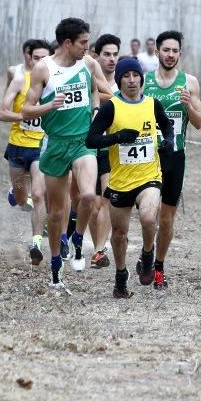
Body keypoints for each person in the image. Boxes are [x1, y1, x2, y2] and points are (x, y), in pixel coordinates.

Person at [22, 17, 113, 288]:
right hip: (55, 144)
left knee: (87, 195)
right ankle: (55, 265)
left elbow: (96, 92)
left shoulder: (87, 64)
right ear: (67, 43)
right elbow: (27, 109)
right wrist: (49, 107)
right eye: (83, 42)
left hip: (83, 140)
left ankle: (77, 240)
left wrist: (96, 110)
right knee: (57, 213)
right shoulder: (43, 69)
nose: (88, 47)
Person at [86, 57, 174, 298]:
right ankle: (121, 276)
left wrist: (168, 142)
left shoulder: (153, 104)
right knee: (119, 234)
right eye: (126, 76)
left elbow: (167, 127)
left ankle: (147, 255)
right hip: (121, 181)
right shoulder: (111, 107)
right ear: (120, 80)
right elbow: (91, 140)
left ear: (141, 79)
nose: (132, 80)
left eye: (136, 75)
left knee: (148, 218)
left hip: (149, 176)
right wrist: (117, 137)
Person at [142, 30, 201, 290]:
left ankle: (158, 267)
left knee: (166, 220)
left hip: (175, 158)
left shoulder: (189, 82)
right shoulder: (143, 82)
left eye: (174, 51)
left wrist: (189, 106)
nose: (170, 55)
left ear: (180, 53)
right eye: (165, 50)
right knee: (148, 215)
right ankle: (146, 252)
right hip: (147, 158)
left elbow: (199, 123)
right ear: (157, 52)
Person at [0, 39, 51, 264]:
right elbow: (2, 113)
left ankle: (36, 242)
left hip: (42, 146)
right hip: (18, 146)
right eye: (36, 57)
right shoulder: (20, 79)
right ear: (28, 58)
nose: (40, 61)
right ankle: (16, 191)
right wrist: (25, 115)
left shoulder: (54, 81)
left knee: (38, 195)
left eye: (44, 58)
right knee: (22, 199)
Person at [86, 33, 121, 269]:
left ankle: (99, 250)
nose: (111, 59)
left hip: (112, 149)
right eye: (106, 54)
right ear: (95, 56)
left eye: (115, 54)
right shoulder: (87, 78)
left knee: (107, 201)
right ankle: (94, 242)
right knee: (91, 203)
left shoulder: (127, 81)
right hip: (87, 147)